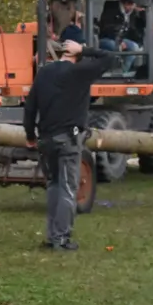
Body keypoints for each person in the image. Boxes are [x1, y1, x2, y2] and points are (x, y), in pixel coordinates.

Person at [23, 39, 117, 250]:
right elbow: (110, 58)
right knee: (67, 187)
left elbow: (30, 107)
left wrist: (30, 135)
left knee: (54, 185)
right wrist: (84, 49)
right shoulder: (80, 73)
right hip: (69, 139)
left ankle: (51, 236)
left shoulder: (44, 73)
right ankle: (61, 239)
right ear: (77, 56)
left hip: (46, 139)